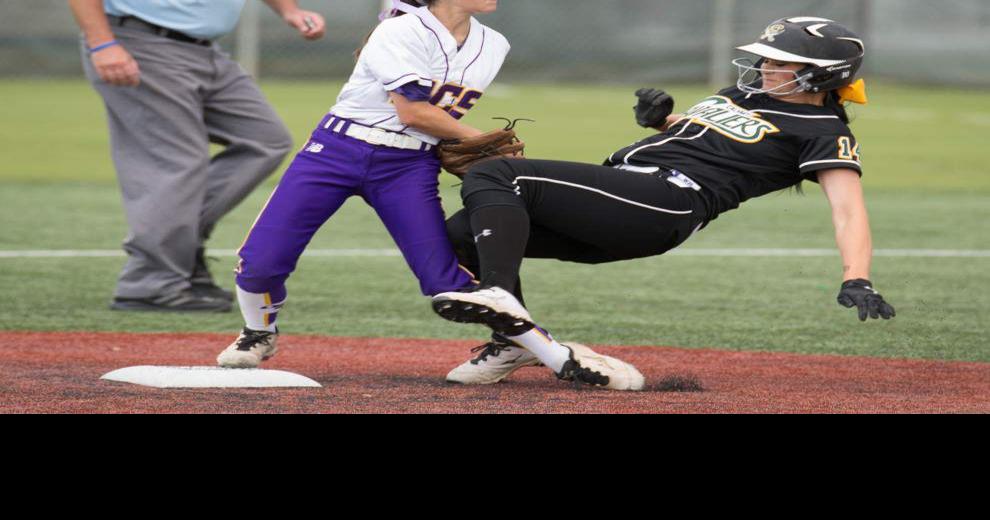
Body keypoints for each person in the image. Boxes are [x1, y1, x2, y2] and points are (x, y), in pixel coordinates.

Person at [433, 17, 897, 391]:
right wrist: (663, 121)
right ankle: (515, 341)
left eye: (780, 62)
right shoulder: (744, 95)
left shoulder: (823, 131)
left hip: (665, 203)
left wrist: (857, 277)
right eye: (766, 58)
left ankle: (499, 297)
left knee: (498, 174)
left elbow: (848, 208)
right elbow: (715, 138)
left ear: (822, 74)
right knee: (459, 233)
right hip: (626, 194)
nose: (764, 66)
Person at [215, 0, 511, 368]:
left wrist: (460, 139)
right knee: (262, 260)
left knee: (443, 279)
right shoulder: (400, 30)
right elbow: (412, 112)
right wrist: (480, 138)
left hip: (409, 164)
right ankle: (258, 331)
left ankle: (520, 339)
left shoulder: (494, 45)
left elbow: (436, 114)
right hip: (336, 151)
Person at [68, 0, 327, 312]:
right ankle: (151, 284)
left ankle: (181, 247)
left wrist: (290, 11)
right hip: (141, 44)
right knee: (178, 163)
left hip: (204, 50)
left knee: (265, 140)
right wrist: (102, 43)